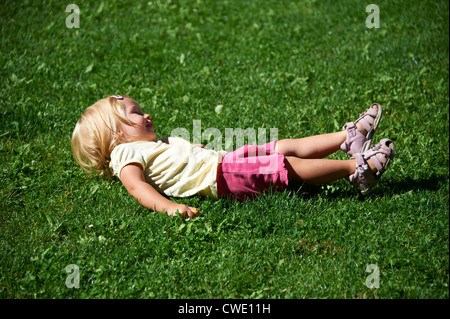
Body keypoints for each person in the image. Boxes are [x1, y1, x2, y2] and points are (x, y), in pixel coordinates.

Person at [71, 95, 395, 218]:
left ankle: (349, 137)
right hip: (223, 178)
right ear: (115, 135)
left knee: (281, 147)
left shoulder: (147, 144)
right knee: (285, 167)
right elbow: (135, 187)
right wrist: (170, 207)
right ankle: (356, 168)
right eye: (135, 114)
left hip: (224, 162)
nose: (146, 115)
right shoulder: (125, 154)